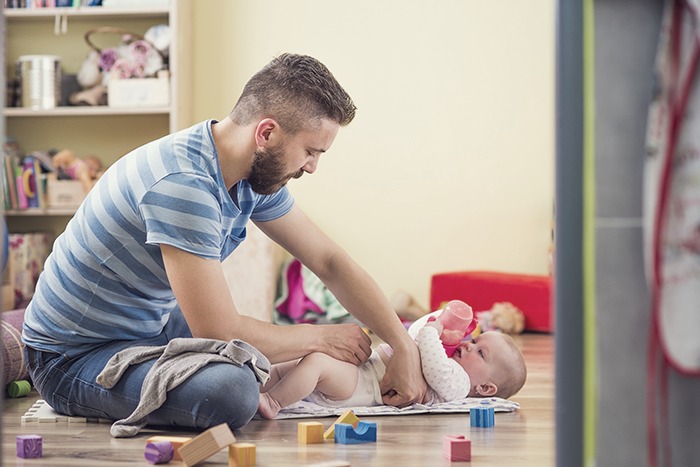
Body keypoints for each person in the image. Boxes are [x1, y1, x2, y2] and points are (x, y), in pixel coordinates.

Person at [21, 53, 427, 434]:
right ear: (266, 133)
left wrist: (401, 342)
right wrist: (321, 336)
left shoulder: (250, 174)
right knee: (233, 391)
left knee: (258, 355)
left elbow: (329, 260)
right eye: (309, 151)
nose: (312, 167)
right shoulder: (184, 184)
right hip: (71, 359)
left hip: (148, 326)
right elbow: (217, 328)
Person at [257, 319, 527, 419]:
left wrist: (434, 332)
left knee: (316, 363)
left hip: (364, 386)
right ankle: (259, 386)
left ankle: (273, 401)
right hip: (364, 370)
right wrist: (436, 321)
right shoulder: (450, 361)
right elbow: (413, 333)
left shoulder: (457, 384)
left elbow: (432, 363)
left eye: (480, 352)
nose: (469, 345)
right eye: (474, 341)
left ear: (486, 388)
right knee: (296, 364)